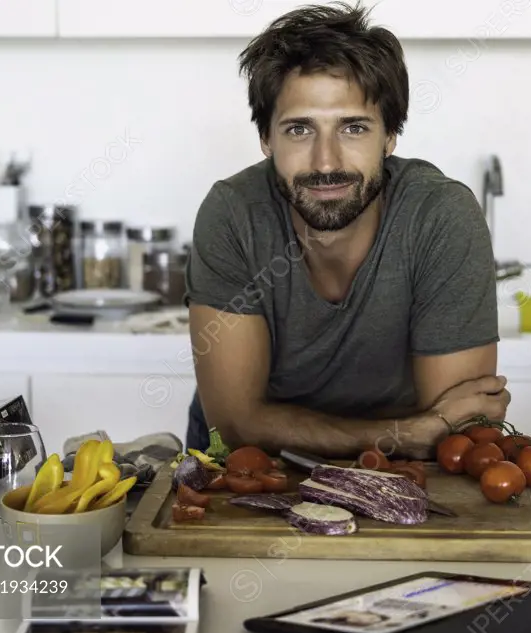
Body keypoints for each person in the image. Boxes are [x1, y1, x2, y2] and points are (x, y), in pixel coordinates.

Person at [183, 1, 510, 459]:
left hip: (400, 469)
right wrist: (409, 432)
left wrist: (416, 434)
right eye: (299, 130)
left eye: (353, 128)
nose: (327, 162)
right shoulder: (233, 213)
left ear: (391, 135)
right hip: (253, 465)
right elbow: (237, 423)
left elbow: (457, 430)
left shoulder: (440, 216)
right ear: (265, 140)